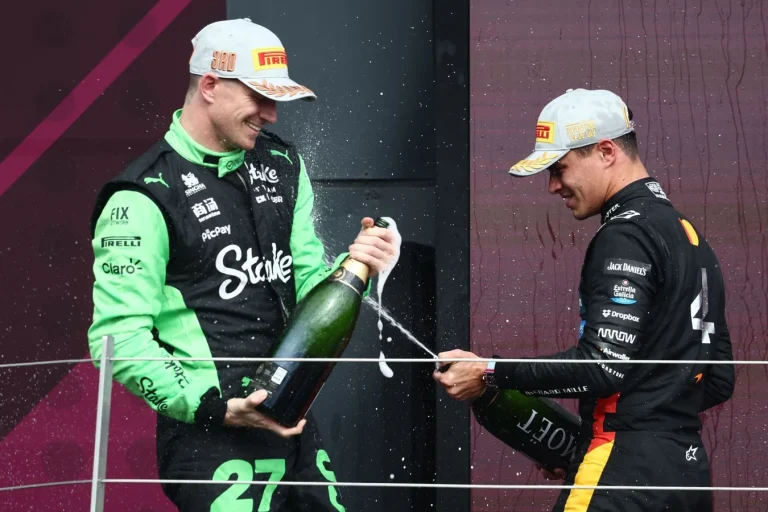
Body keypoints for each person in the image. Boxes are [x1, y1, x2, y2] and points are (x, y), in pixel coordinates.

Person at [87, 18, 399, 512]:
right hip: (211, 437)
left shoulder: (282, 164)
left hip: (291, 420)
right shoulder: (141, 196)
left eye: (278, 100)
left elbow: (308, 288)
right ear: (210, 85)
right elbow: (119, 341)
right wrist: (216, 409)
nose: (272, 115)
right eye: (259, 97)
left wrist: (357, 262)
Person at [434, 88, 734, 511]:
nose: (553, 186)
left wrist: (489, 371)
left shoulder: (625, 235)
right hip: (687, 477)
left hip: (617, 469)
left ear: (607, 150)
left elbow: (603, 365)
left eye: (560, 168)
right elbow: (719, 379)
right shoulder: (692, 238)